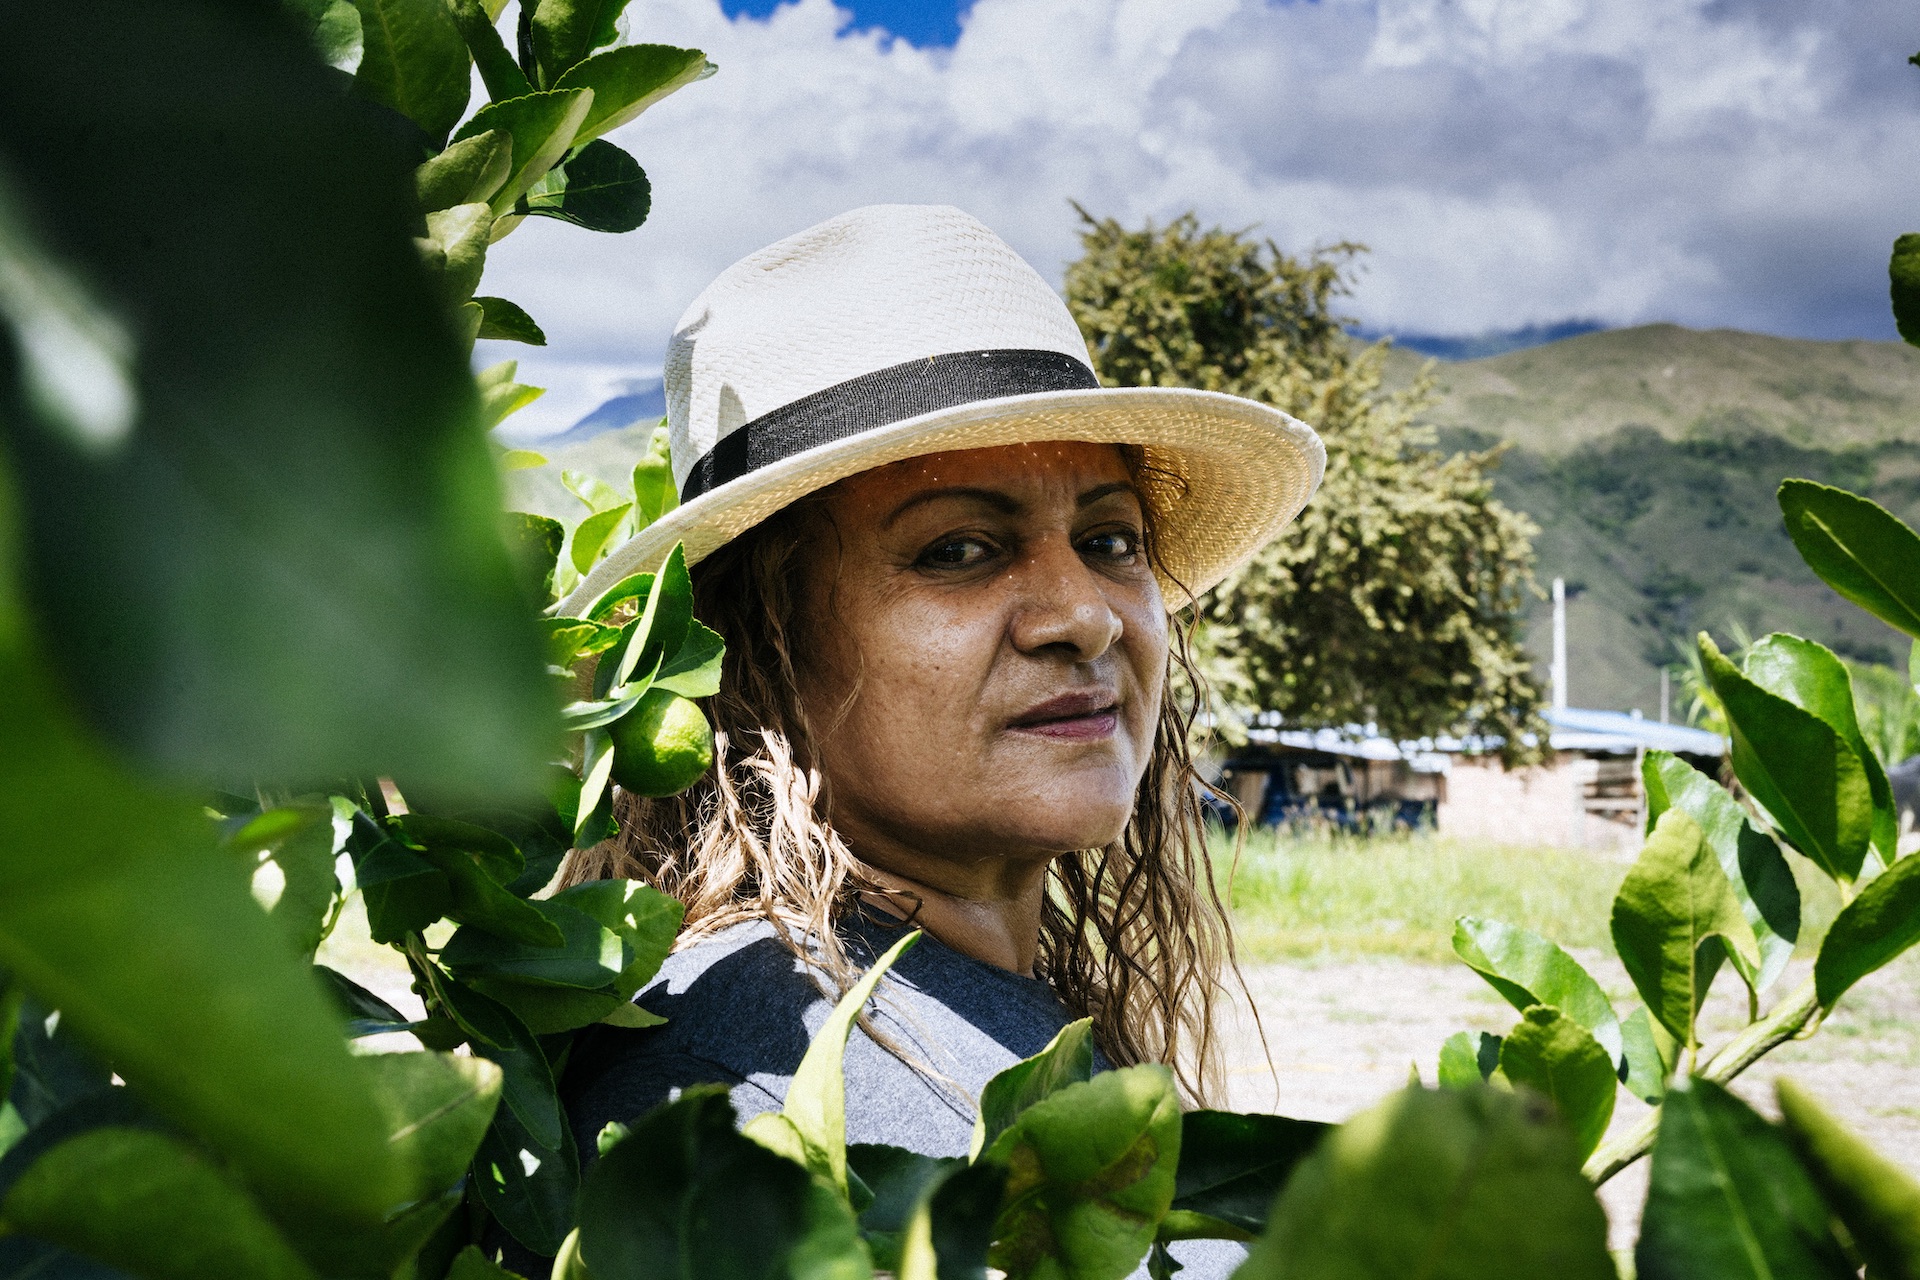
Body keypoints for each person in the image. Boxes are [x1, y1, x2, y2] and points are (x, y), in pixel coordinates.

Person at [551, 204, 1323, 1271]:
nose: (1086, 613)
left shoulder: (951, 1008)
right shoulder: (744, 1093)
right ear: (751, 647)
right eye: (958, 547)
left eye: (1111, 539)